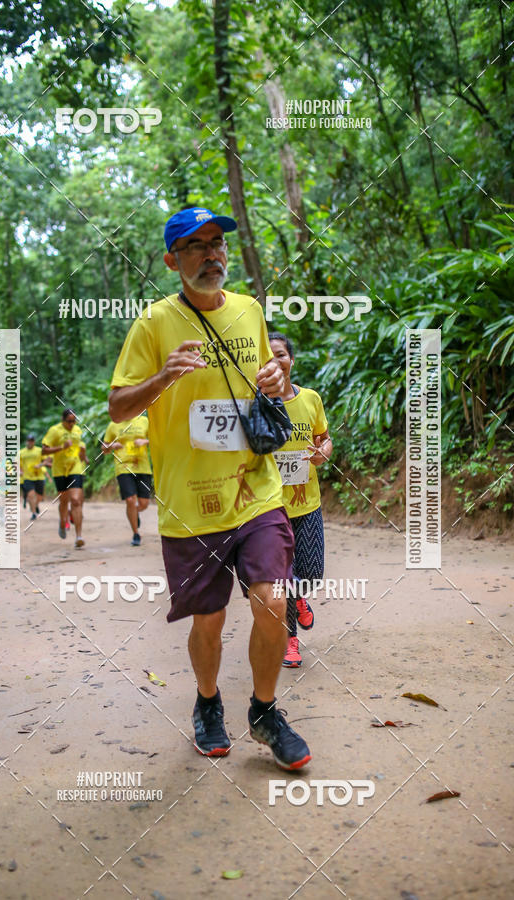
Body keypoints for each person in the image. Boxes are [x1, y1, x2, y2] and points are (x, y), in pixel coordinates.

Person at [108, 206, 311, 771]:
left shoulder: (249, 310)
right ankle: (207, 701)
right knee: (209, 619)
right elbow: (119, 405)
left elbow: (270, 381)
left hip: (256, 488)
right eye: (195, 246)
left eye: (217, 242)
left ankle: (265, 711)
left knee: (272, 599)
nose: (211, 254)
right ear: (172, 261)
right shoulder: (153, 324)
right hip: (190, 502)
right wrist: (162, 378)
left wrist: (278, 379)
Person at [268, 333, 333, 668]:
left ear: (291, 360)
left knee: (310, 572)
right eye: (268, 356)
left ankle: (300, 598)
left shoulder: (310, 399)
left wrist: (323, 453)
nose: (275, 361)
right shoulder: (256, 405)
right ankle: (290, 641)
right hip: (269, 509)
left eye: (281, 354)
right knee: (283, 577)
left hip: (307, 503)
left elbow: (324, 438)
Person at [102, 414, 152, 546]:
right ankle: (136, 533)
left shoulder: (144, 421)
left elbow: (157, 440)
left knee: (144, 504)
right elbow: (104, 449)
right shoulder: (114, 424)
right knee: (130, 500)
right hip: (123, 467)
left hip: (142, 467)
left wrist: (145, 442)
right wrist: (112, 445)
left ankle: (134, 513)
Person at [42, 409, 87, 548]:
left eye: (74, 421)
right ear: (63, 420)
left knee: (76, 500)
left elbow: (80, 451)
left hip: (75, 467)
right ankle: (62, 522)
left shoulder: (77, 430)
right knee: (63, 501)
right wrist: (62, 447)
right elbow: (44, 450)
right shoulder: (54, 431)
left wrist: (83, 454)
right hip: (60, 470)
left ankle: (79, 536)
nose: (72, 424)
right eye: (69, 421)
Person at [19, 435, 44, 520]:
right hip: (27, 477)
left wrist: (40, 465)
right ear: (26, 441)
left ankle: (35, 505)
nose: (30, 442)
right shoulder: (21, 452)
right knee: (30, 495)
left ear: (34, 442)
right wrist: (20, 471)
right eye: (29, 440)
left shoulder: (39, 450)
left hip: (39, 476)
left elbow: (46, 460)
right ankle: (33, 513)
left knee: (40, 497)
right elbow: (17, 464)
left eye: (32, 441)